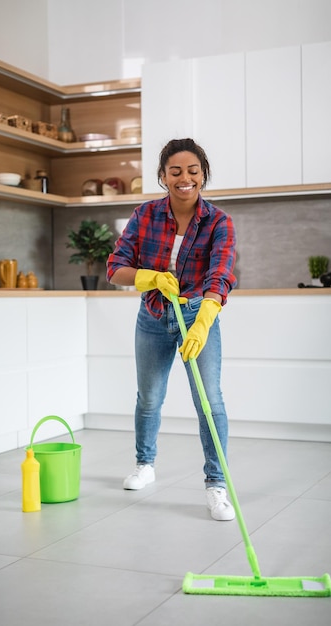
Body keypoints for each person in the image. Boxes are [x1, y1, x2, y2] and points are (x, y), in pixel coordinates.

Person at [106, 138, 237, 521]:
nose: (184, 179)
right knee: (149, 397)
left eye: (193, 171)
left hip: (198, 315)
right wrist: (148, 277)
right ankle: (144, 465)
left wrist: (206, 317)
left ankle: (217, 486)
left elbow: (221, 273)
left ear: (203, 175)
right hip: (153, 317)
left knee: (209, 402)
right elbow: (115, 269)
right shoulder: (145, 214)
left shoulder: (218, 221)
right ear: (163, 176)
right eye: (175, 171)